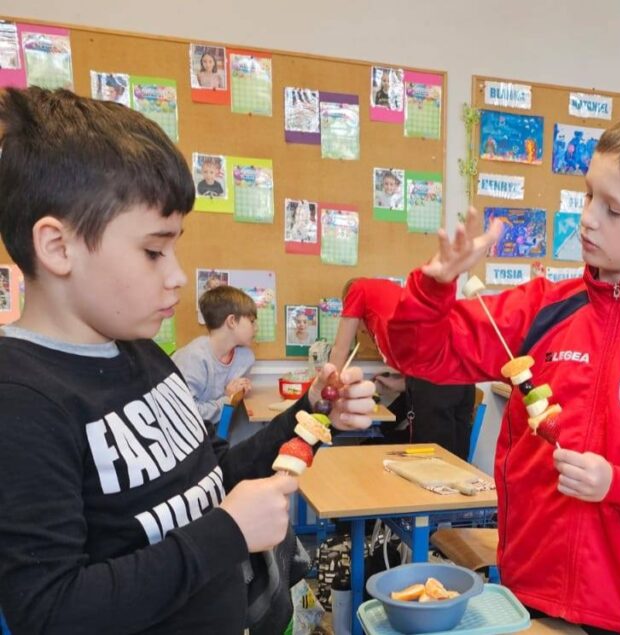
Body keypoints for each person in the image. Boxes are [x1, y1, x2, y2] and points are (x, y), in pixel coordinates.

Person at [0, 87, 374, 634]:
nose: (176, 274)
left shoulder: (145, 354)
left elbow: (213, 479)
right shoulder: (21, 400)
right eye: (154, 250)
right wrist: (227, 533)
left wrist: (314, 414)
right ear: (58, 247)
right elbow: (53, 610)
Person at [382, 107, 620, 634]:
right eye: (588, 195)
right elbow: (418, 355)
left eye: (613, 210)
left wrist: (618, 483)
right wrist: (434, 289)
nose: (588, 217)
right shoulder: (541, 308)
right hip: (527, 587)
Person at [331, 277, 477, 459]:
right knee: (455, 458)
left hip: (438, 376)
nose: (360, 331)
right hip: (461, 372)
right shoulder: (388, 298)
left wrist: (326, 392)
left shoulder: (357, 289)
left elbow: (340, 349)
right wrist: (398, 384)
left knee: (432, 460)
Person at [172, 285, 258, 426]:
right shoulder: (194, 357)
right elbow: (184, 415)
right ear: (232, 322)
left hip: (216, 435)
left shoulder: (245, 358)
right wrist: (228, 399)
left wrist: (235, 398)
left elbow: (225, 419)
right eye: (252, 321)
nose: (256, 328)